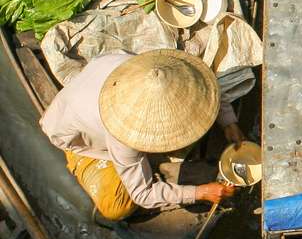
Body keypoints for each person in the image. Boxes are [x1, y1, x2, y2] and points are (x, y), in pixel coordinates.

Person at [40, 49, 236, 223]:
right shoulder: (122, 134)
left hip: (88, 104)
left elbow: (205, 86)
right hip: (79, 138)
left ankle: (151, 167)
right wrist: (200, 192)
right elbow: (142, 194)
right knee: (116, 208)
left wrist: (229, 122)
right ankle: (153, 170)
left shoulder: (149, 69)